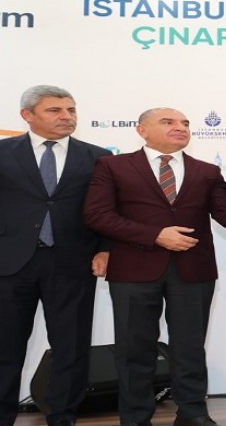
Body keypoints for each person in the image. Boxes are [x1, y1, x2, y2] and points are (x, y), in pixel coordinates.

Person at [83, 108, 226, 426]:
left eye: (184, 123)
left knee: (190, 348)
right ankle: (136, 417)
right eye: (168, 122)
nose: (180, 127)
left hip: (193, 270)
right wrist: (156, 235)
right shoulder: (112, 165)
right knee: (134, 349)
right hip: (133, 270)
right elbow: (98, 215)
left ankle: (193, 413)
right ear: (142, 130)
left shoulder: (206, 171)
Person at [0, 85, 110, 426]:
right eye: (55, 110)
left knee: (71, 347)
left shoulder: (99, 157)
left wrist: (106, 248)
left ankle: (63, 416)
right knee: (5, 347)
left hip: (73, 262)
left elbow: (108, 210)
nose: (66, 116)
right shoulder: (3, 153)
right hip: (9, 263)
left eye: (71, 110)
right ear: (27, 115)